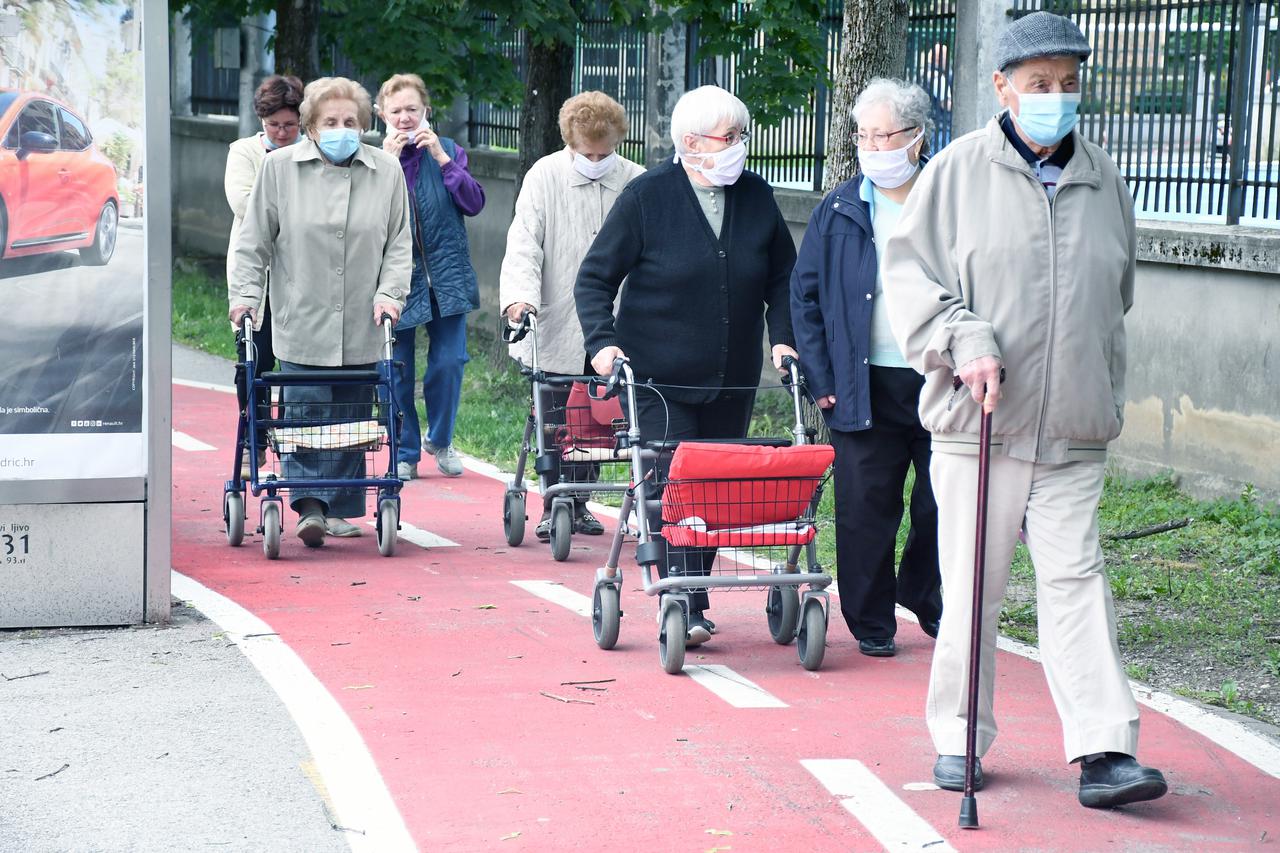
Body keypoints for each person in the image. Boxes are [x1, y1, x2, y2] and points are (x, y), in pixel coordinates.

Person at [881, 12, 1168, 808]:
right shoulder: (956, 173)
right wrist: (964, 335)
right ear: (1002, 88)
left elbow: (1119, 295)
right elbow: (911, 286)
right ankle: (960, 736)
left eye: (1069, 84)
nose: (1055, 97)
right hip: (981, 424)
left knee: (1078, 581)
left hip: (1072, 427)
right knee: (974, 586)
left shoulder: (1103, 178)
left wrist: (1095, 385)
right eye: (1038, 84)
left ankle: (1106, 748)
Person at [576, 84, 798, 647]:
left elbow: (782, 278)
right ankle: (682, 596)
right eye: (729, 138)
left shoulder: (755, 196)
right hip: (656, 375)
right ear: (691, 143)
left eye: (741, 136)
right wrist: (603, 343)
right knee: (675, 485)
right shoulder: (648, 196)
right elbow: (595, 277)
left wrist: (784, 339)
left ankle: (690, 591)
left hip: (732, 374)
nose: (739, 147)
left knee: (717, 490)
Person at [790, 78, 942, 658]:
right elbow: (804, 296)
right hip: (862, 382)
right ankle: (871, 621)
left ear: (917, 136)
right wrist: (821, 378)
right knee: (865, 508)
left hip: (939, 378)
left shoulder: (949, 194)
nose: (875, 146)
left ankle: (924, 593)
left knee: (939, 501)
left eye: (887, 135)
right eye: (865, 135)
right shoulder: (840, 205)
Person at [229, 77, 412, 548]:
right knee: (307, 412)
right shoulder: (279, 170)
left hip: (363, 320)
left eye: (350, 121)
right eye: (330, 121)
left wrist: (391, 294)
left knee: (352, 417)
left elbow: (398, 244)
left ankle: (341, 504)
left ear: (365, 125)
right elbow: (253, 242)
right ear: (311, 125)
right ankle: (311, 504)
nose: (341, 128)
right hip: (302, 314)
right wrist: (245, 297)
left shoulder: (387, 171)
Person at [500, 91, 645, 541]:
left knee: (603, 413)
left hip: (616, 315)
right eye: (588, 153)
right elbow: (524, 243)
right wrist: (519, 300)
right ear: (570, 143)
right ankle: (557, 499)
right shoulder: (544, 176)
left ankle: (580, 498)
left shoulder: (637, 180)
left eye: (606, 152)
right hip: (556, 314)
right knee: (559, 411)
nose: (598, 160)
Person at [377, 73, 485, 481]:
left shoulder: (451, 151)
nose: (405, 118)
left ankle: (440, 439)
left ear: (426, 111)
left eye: (412, 109)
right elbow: (371, 218)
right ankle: (405, 450)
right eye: (396, 111)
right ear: (382, 114)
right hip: (397, 280)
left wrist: (442, 159)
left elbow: (473, 203)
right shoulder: (374, 160)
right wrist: (387, 163)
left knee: (450, 360)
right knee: (397, 366)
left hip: (447, 275)